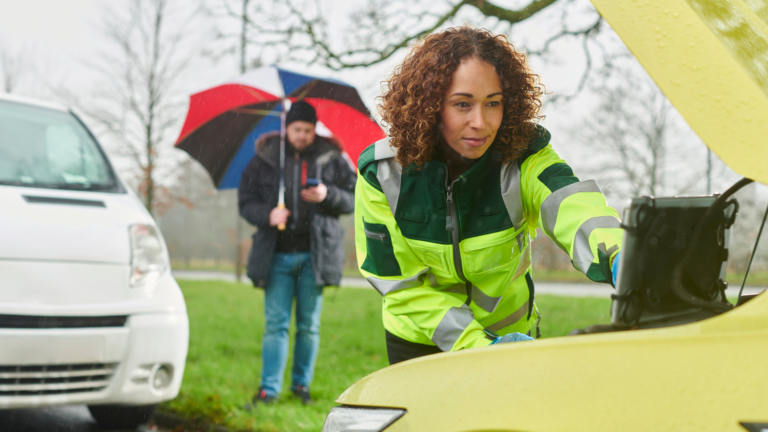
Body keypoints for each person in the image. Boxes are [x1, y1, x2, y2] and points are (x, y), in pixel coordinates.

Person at [354, 26, 623, 365]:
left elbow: (575, 205)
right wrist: (476, 345)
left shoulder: (525, 158)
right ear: (430, 105)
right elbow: (399, 285)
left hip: (511, 342)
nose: (480, 122)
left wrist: (621, 254)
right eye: (462, 104)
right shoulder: (382, 173)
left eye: (493, 103)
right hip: (419, 344)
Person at [239, 100, 356, 405]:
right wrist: (268, 215)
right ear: (286, 128)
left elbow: (355, 198)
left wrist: (327, 194)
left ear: (314, 129)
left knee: (308, 326)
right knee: (276, 325)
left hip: (314, 257)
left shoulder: (332, 157)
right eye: (296, 129)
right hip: (275, 256)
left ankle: (301, 387)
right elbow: (245, 202)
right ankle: (268, 390)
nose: (302, 135)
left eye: (307, 129)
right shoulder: (265, 157)